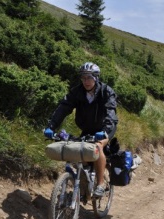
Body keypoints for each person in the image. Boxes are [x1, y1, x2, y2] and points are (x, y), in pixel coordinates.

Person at [44, 62, 118, 197]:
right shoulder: (77, 92)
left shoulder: (106, 91)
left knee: (97, 147)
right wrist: (51, 126)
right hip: (87, 128)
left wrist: (106, 130)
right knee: (81, 152)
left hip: (104, 129)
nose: (86, 81)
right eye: (83, 78)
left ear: (96, 78)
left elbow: (111, 113)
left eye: (89, 77)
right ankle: (85, 182)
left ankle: (100, 184)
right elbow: (63, 108)